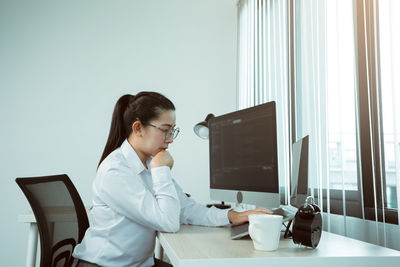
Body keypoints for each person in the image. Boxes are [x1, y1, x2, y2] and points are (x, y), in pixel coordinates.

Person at [73, 91, 271, 267]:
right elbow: (168, 222)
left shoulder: (150, 163)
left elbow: (186, 209)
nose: (170, 138)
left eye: (173, 130)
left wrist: (231, 216)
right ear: (138, 128)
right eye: (165, 130)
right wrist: (160, 169)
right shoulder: (115, 172)